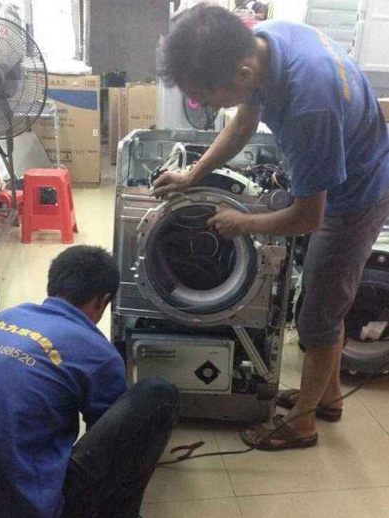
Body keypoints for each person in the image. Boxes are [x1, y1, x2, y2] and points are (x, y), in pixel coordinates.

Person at [154, 4, 389, 451]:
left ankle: (302, 425)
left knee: (317, 316)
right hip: (347, 175)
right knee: (324, 300)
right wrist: (193, 175)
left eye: (209, 99)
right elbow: (244, 121)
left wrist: (242, 223)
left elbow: (307, 217)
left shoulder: (308, 105)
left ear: (242, 74)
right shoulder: (265, 41)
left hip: (356, 198)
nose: (208, 108)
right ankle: (326, 398)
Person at [0, 245, 180, 518]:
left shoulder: (7, 317)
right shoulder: (98, 352)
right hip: (31, 508)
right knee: (159, 394)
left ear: (53, 284)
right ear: (102, 301)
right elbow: (112, 437)